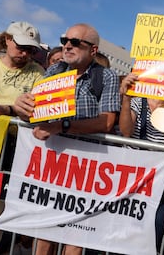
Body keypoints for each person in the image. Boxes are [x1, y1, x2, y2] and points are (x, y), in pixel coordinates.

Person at [14, 23, 121, 255]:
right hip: (51, 162)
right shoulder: (53, 71)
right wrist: (21, 107)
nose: (67, 46)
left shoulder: (107, 76)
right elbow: (35, 112)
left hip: (85, 168)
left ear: (93, 50)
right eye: (64, 40)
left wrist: (60, 126)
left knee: (75, 233)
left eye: (75, 42)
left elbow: (106, 122)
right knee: (44, 230)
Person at [0, 21, 44, 255]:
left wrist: (5, 110)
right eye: (21, 46)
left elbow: (38, 111)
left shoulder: (38, 74)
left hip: (10, 152)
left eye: (31, 49)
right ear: (7, 40)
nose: (25, 53)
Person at [118, 72, 164, 253]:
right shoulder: (138, 100)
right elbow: (127, 131)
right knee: (126, 225)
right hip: (134, 174)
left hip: (161, 178)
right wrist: (126, 98)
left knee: (154, 227)